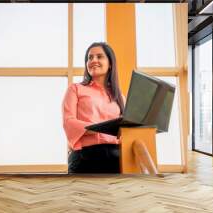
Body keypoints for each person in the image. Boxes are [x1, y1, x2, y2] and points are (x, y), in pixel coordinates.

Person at [62, 42, 161, 175]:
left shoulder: (120, 97)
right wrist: (102, 128)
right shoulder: (75, 89)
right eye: (89, 58)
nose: (93, 60)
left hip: (116, 157)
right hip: (85, 157)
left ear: (110, 64)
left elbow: (126, 131)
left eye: (99, 56)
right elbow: (69, 123)